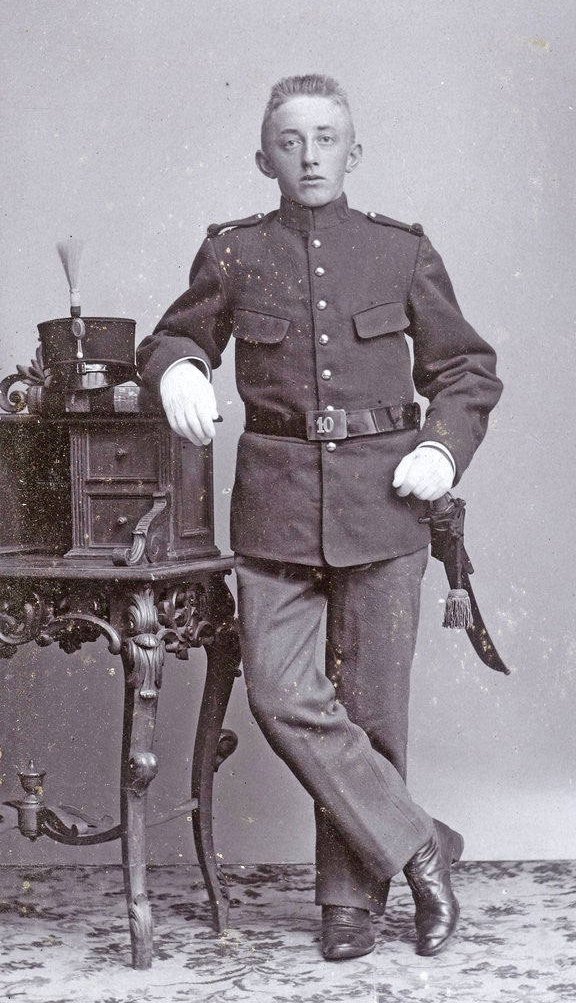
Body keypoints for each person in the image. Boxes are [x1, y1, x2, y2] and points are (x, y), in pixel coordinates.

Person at [137, 74, 502, 961]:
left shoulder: (400, 252)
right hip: (276, 509)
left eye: (327, 138)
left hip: (387, 503)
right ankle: (419, 844)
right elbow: (175, 335)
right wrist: (177, 367)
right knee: (282, 694)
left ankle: (350, 904)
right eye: (291, 141)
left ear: (353, 150)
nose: (309, 157)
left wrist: (440, 449)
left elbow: (466, 369)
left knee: (373, 711)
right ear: (263, 156)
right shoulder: (232, 253)